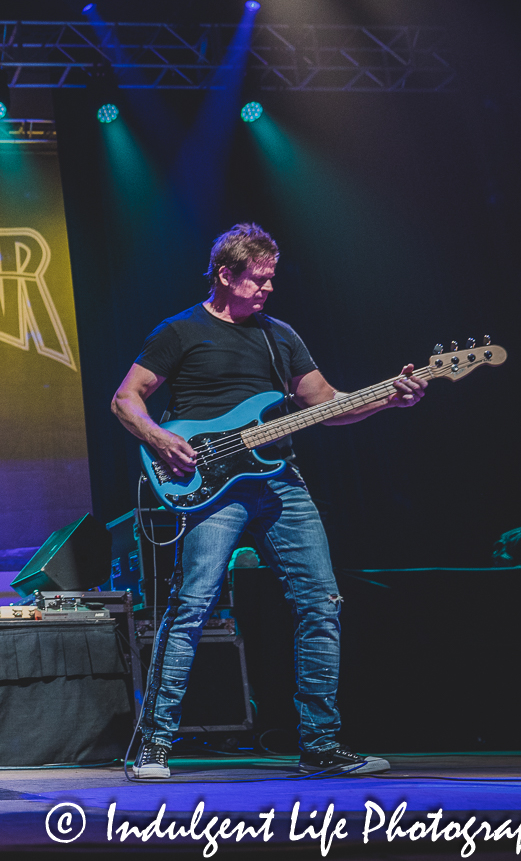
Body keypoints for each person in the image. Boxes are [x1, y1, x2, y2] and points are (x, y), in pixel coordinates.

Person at [110, 222, 426, 780]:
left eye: (272, 278)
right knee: (191, 607)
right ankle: (154, 746)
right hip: (209, 484)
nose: (268, 289)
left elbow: (329, 404)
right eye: (258, 279)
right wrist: (162, 439)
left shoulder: (280, 336)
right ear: (225, 275)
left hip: (280, 480)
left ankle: (320, 746)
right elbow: (125, 399)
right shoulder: (179, 331)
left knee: (321, 603)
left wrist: (387, 401)